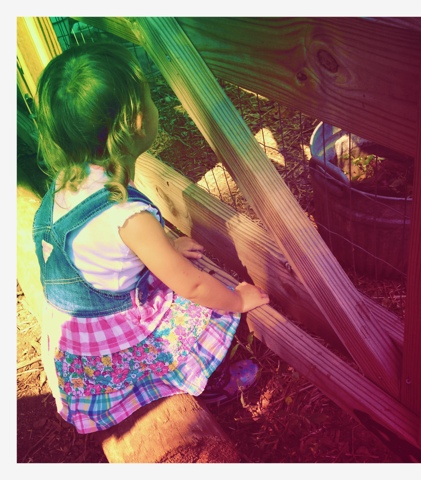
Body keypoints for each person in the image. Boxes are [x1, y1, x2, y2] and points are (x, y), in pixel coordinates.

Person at [32, 42, 269, 434]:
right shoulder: (127, 213)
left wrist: (166, 247)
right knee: (201, 307)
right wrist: (238, 300)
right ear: (136, 123)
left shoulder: (67, 181)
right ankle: (209, 385)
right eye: (150, 99)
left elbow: (100, 248)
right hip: (112, 343)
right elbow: (193, 285)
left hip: (77, 345)